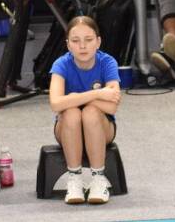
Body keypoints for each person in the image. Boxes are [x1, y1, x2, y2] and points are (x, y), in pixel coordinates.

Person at [47, 16, 121, 205]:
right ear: (68, 45)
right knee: (71, 113)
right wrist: (97, 94)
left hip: (102, 128)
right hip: (66, 128)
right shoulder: (61, 64)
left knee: (89, 112)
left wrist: (74, 98)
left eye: (88, 40)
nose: (82, 46)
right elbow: (55, 104)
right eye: (75, 40)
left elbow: (112, 106)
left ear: (98, 42)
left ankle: (98, 179)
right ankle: (75, 179)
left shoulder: (108, 62)